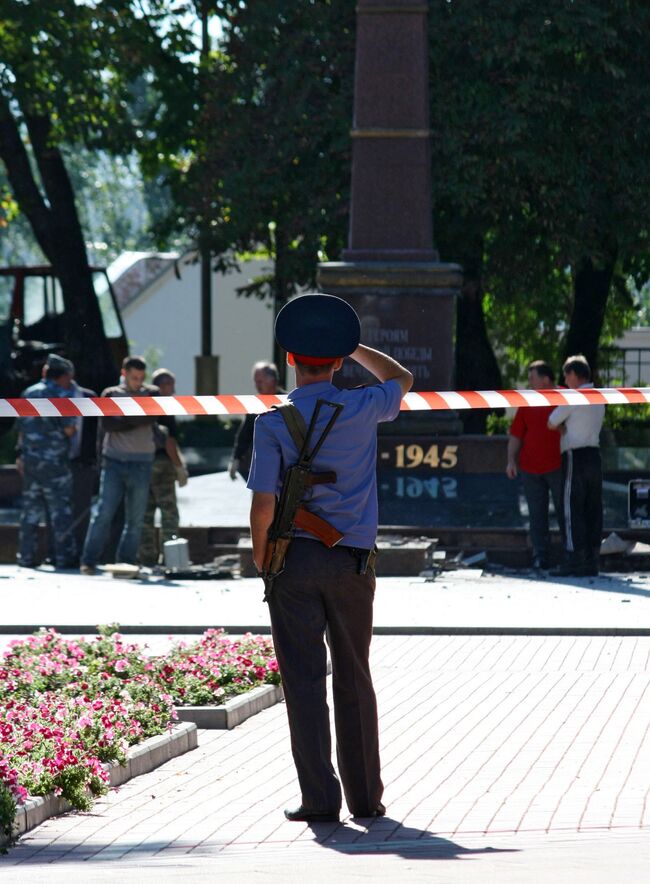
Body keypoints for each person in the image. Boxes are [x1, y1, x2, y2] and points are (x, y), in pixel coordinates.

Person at [248, 293, 413, 822]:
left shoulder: (272, 423)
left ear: (290, 359)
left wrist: (261, 559)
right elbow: (403, 378)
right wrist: (351, 345)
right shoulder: (364, 405)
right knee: (354, 675)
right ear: (338, 359)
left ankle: (320, 799)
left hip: (292, 562)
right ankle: (366, 798)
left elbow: (263, 502)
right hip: (352, 563)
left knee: (302, 681)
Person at [80, 356, 159, 574]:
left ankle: (126, 562)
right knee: (104, 513)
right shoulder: (111, 394)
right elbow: (107, 424)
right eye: (134, 377)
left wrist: (123, 419)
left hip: (142, 462)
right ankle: (88, 560)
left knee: (135, 518)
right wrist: (137, 417)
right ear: (124, 373)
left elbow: (150, 419)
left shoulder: (152, 393)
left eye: (141, 377)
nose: (138, 382)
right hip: (114, 461)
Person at [16, 354, 77, 569]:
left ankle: (26, 557)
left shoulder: (28, 393)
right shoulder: (62, 395)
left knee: (30, 512)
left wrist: (20, 456)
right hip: (55, 465)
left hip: (31, 462)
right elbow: (70, 429)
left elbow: (21, 429)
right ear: (64, 376)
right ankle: (63, 558)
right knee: (59, 511)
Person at [548, 355, 605, 576]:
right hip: (595, 455)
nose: (565, 379)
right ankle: (592, 560)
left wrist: (563, 429)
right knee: (593, 508)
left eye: (566, 374)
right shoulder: (599, 396)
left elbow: (551, 421)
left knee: (571, 509)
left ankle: (574, 559)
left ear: (574, 374)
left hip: (574, 455)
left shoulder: (573, 396)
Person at [506, 360, 564, 569]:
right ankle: (540, 556)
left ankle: (570, 554)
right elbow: (516, 434)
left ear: (545, 379)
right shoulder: (527, 401)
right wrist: (511, 460)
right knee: (536, 515)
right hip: (530, 468)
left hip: (559, 465)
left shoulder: (566, 397)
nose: (529, 382)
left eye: (532, 378)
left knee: (564, 511)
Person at [139, 368, 189, 566]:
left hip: (143, 462)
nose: (173, 389)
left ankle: (146, 559)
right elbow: (169, 441)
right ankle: (170, 559)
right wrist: (179, 467)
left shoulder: (145, 403)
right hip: (161, 464)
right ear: (159, 385)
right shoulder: (164, 404)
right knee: (168, 513)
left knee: (147, 514)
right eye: (169, 384)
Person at [228, 361, 281, 482]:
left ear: (272, 380)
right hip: (261, 467)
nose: (257, 386)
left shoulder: (288, 401)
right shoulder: (255, 404)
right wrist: (235, 459)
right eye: (255, 382)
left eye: (260, 382)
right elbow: (244, 435)